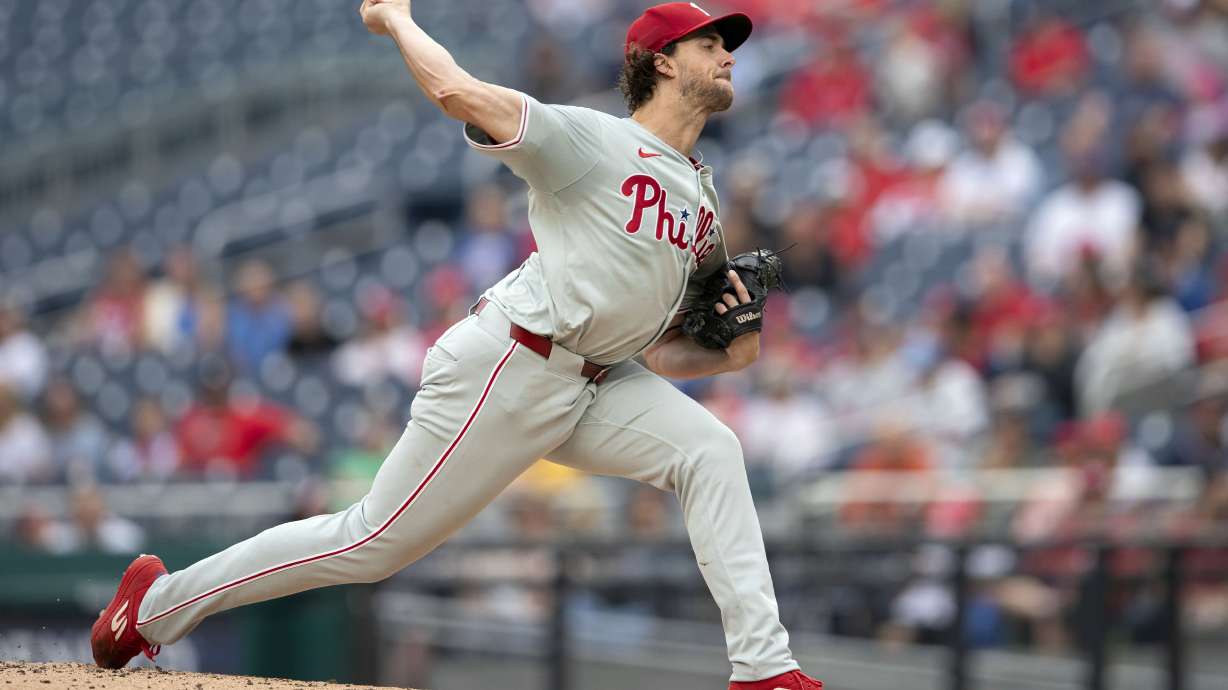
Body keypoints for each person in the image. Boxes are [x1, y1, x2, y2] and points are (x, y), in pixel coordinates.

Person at [91, 3, 821, 688]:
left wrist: (735, 349)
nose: (727, 55)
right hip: (513, 360)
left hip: (596, 379)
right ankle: (152, 606)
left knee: (711, 449)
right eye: (710, 43)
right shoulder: (593, 141)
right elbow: (455, 91)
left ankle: (764, 670)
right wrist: (398, 18)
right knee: (370, 543)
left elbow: (662, 352)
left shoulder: (702, 199)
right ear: (662, 61)